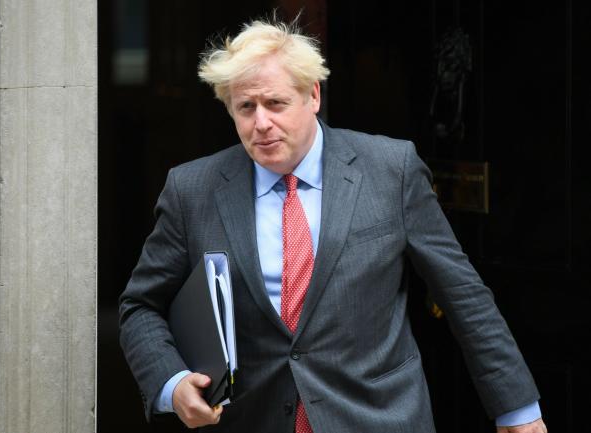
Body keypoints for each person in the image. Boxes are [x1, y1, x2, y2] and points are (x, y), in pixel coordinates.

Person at [119, 18, 547, 433]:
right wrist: (172, 385)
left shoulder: (390, 170)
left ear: (313, 96)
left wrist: (517, 409)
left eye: (276, 103)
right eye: (245, 107)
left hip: (379, 417)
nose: (261, 123)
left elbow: (463, 294)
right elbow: (140, 308)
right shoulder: (191, 189)